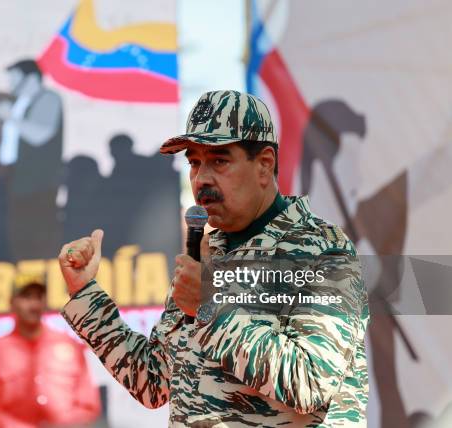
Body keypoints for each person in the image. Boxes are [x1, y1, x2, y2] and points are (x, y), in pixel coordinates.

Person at [57, 90, 369, 426]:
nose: (201, 178)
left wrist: (209, 307)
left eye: (219, 160)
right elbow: (152, 383)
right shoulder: (206, 253)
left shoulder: (323, 251)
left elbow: (310, 384)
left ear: (264, 165)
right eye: (194, 162)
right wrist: (85, 294)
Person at [0, 275, 101, 427]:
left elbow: (89, 405)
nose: (34, 304)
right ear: (11, 302)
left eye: (38, 297)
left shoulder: (69, 346)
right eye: (26, 297)